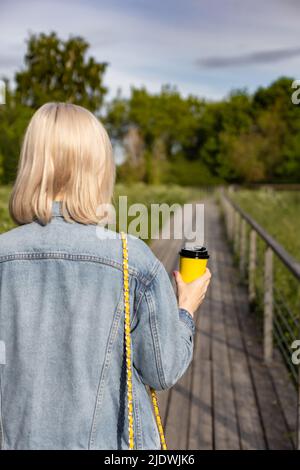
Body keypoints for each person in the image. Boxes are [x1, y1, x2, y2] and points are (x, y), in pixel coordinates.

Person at [0, 102, 211, 450]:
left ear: (30, 167)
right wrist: (185, 309)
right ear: (98, 170)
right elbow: (163, 369)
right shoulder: (132, 259)